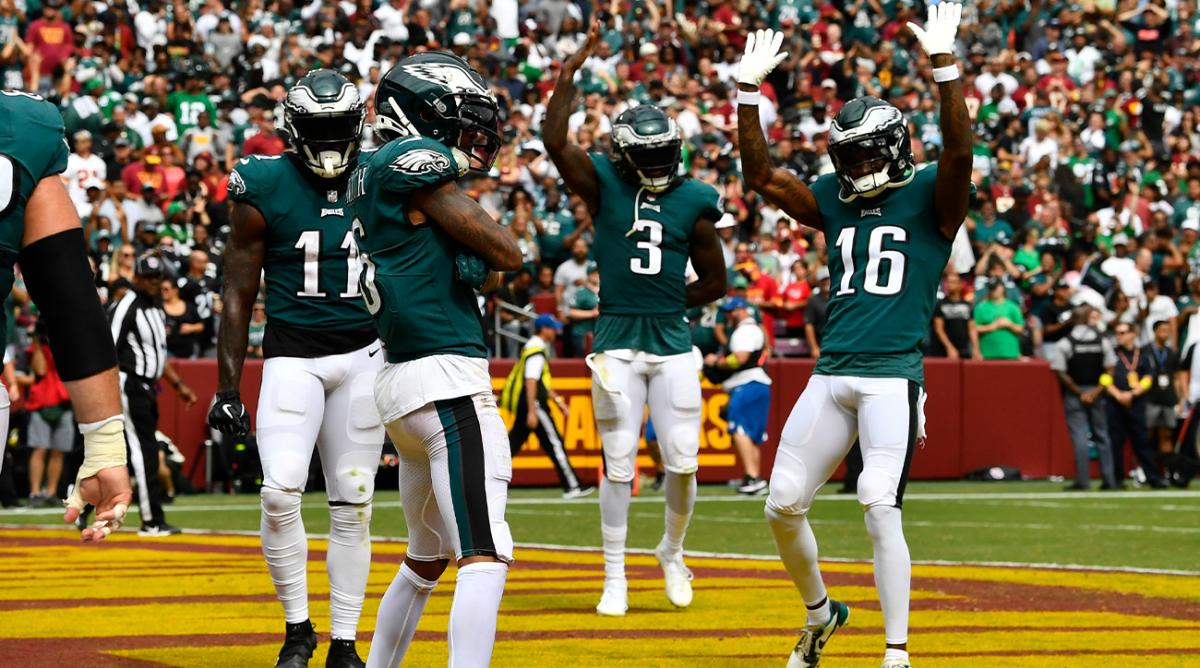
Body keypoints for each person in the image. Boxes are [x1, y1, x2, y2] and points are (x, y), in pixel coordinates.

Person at [736, 4, 972, 665]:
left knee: (877, 502)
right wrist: (747, 92)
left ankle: (896, 652)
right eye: (849, 156)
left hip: (892, 373)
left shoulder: (934, 195)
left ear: (895, 147)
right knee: (781, 504)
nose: (859, 167)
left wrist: (945, 66)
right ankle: (820, 614)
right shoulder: (836, 201)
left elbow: (959, 151)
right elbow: (762, 177)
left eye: (868, 152)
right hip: (833, 370)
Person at [345, 51, 522, 667]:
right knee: (485, 552)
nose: (470, 134)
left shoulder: (371, 174)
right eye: (456, 119)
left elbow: (480, 267)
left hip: (402, 381)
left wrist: (470, 262)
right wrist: (483, 252)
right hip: (446, 380)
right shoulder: (408, 161)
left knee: (426, 557)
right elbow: (508, 252)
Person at [545, 21, 727, 618]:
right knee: (619, 460)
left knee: (683, 459)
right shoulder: (603, 184)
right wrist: (569, 73)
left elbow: (717, 281)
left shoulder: (694, 198)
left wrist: (669, 301)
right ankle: (614, 574)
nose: (656, 164)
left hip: (670, 338)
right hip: (618, 336)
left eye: (661, 152)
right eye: (645, 155)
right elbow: (555, 141)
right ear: (623, 157)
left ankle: (672, 550)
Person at [207, 70, 384, 668]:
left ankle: (345, 641)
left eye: (339, 128)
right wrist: (227, 387)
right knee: (280, 491)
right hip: (292, 355)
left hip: (364, 356)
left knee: (353, 499)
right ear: (294, 129)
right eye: (319, 128)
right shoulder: (264, 183)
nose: (331, 141)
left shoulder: (382, 174)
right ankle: (297, 628)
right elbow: (237, 292)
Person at [2, 90, 134, 542]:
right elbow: (69, 296)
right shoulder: (21, 126)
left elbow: (68, 295)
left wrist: (105, 445)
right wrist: (104, 443)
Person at [107, 253, 197, 535]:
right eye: (147, 277)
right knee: (145, 452)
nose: (153, 283)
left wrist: (179, 386)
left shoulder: (156, 307)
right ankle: (151, 519)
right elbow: (108, 349)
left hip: (147, 387)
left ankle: (82, 501)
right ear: (136, 277)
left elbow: (157, 355)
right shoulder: (127, 305)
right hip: (130, 384)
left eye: (157, 278)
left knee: (125, 451)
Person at [501, 313, 594, 499]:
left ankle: (488, 481)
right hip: (534, 404)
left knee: (512, 445)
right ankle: (572, 485)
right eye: (552, 328)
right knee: (554, 443)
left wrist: (558, 401)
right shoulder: (536, 349)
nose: (555, 332)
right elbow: (531, 381)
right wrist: (532, 411)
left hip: (529, 403)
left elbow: (540, 382)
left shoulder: (533, 346)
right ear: (543, 329)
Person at [704, 297, 772, 495]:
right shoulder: (751, 330)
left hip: (747, 384)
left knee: (739, 429)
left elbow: (740, 358)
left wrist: (717, 361)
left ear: (742, 310)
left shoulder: (745, 331)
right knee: (751, 434)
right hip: (755, 383)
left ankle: (752, 476)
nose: (728, 316)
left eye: (731, 311)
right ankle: (754, 478)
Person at [1050, 305, 1120, 491]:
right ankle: (1109, 479)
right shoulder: (1102, 341)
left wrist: (1080, 392)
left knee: (1079, 437)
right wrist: (1097, 390)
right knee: (1102, 435)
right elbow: (1110, 368)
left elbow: (1060, 371)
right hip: (1096, 392)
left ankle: (1083, 480)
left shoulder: (1066, 343)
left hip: (1075, 394)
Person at [1107, 323, 1168, 488]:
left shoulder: (1143, 354)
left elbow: (1148, 377)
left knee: (1142, 441)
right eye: (1117, 333)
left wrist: (1133, 394)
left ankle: (1152, 476)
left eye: (1122, 332)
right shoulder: (1112, 353)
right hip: (1115, 403)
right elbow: (1105, 377)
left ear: (1133, 334)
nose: (1118, 336)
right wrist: (1118, 395)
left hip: (1137, 403)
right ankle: (1116, 479)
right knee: (1115, 442)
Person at [1145, 320, 1184, 459]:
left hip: (1168, 398)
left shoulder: (1172, 352)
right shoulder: (1145, 351)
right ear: (1155, 331)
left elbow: (1177, 378)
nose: (1165, 334)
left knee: (1167, 434)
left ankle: (1167, 467)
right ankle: (1143, 466)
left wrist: (1180, 400)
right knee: (1146, 433)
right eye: (1162, 330)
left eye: (1168, 331)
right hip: (1150, 398)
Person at [972, 279, 1024, 360]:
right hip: (987, 354)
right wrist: (991, 326)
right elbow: (974, 329)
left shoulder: (1013, 307)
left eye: (995, 288)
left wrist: (1009, 324)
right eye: (991, 288)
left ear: (1002, 288)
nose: (993, 291)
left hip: (1010, 353)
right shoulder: (981, 307)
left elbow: (1021, 328)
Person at [930, 272, 973, 359]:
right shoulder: (940, 305)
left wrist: (976, 348)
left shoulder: (967, 305)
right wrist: (949, 347)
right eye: (948, 282)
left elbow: (972, 328)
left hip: (964, 349)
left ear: (960, 284)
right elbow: (939, 329)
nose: (949, 285)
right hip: (943, 351)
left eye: (953, 282)